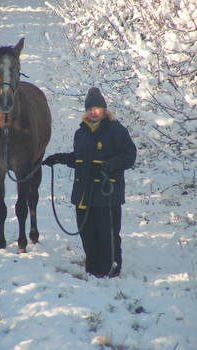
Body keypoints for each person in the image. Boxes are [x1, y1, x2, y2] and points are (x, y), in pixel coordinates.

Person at [43, 87, 136, 278]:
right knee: (87, 233)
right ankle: (93, 270)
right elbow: (79, 159)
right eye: (90, 108)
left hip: (106, 193)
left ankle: (112, 269)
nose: (94, 112)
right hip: (84, 193)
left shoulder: (116, 130)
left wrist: (109, 165)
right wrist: (59, 158)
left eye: (97, 108)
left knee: (107, 233)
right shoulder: (81, 133)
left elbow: (130, 155)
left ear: (104, 110)